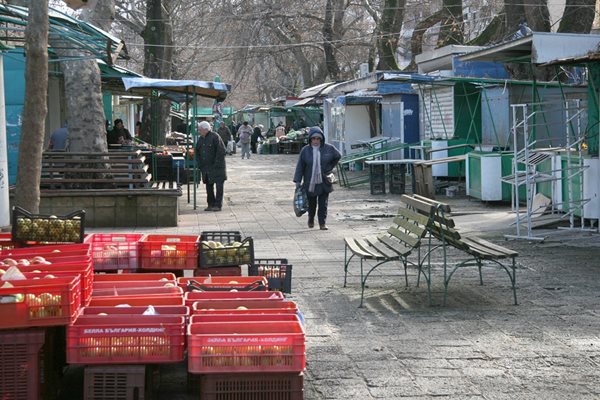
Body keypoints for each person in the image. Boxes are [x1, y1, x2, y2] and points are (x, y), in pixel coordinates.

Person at [293, 126, 341, 230]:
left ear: (321, 139)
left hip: (324, 181)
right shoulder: (305, 150)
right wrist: (297, 180)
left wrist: (329, 167)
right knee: (312, 204)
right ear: (310, 139)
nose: (316, 141)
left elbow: (338, 156)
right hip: (310, 182)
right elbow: (300, 166)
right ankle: (311, 218)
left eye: (318, 138)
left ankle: (322, 223)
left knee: (323, 204)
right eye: (313, 138)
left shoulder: (328, 148)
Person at [195, 120, 227, 212]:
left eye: (200, 130)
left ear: (205, 129)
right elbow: (197, 151)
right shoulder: (201, 139)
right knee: (208, 187)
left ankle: (218, 205)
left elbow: (221, 151)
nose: (199, 131)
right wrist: (200, 163)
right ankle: (210, 204)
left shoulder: (215, 136)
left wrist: (216, 164)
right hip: (206, 168)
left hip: (217, 167)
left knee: (219, 187)